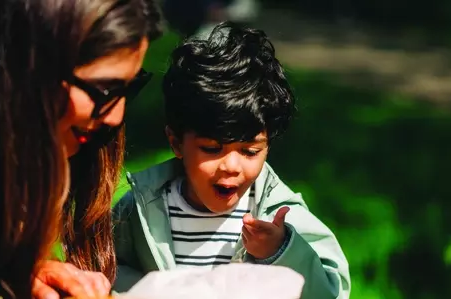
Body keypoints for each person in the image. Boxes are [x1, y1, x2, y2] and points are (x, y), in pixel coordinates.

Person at [0, 0, 161, 298]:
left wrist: (19, 271)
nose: (116, 116)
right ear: (30, 64)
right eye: (105, 90)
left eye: (130, 87)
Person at [112, 23, 351, 299]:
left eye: (250, 151)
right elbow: (103, 268)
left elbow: (329, 293)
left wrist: (282, 252)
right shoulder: (140, 209)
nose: (232, 166)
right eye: (212, 149)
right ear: (177, 142)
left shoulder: (279, 219)